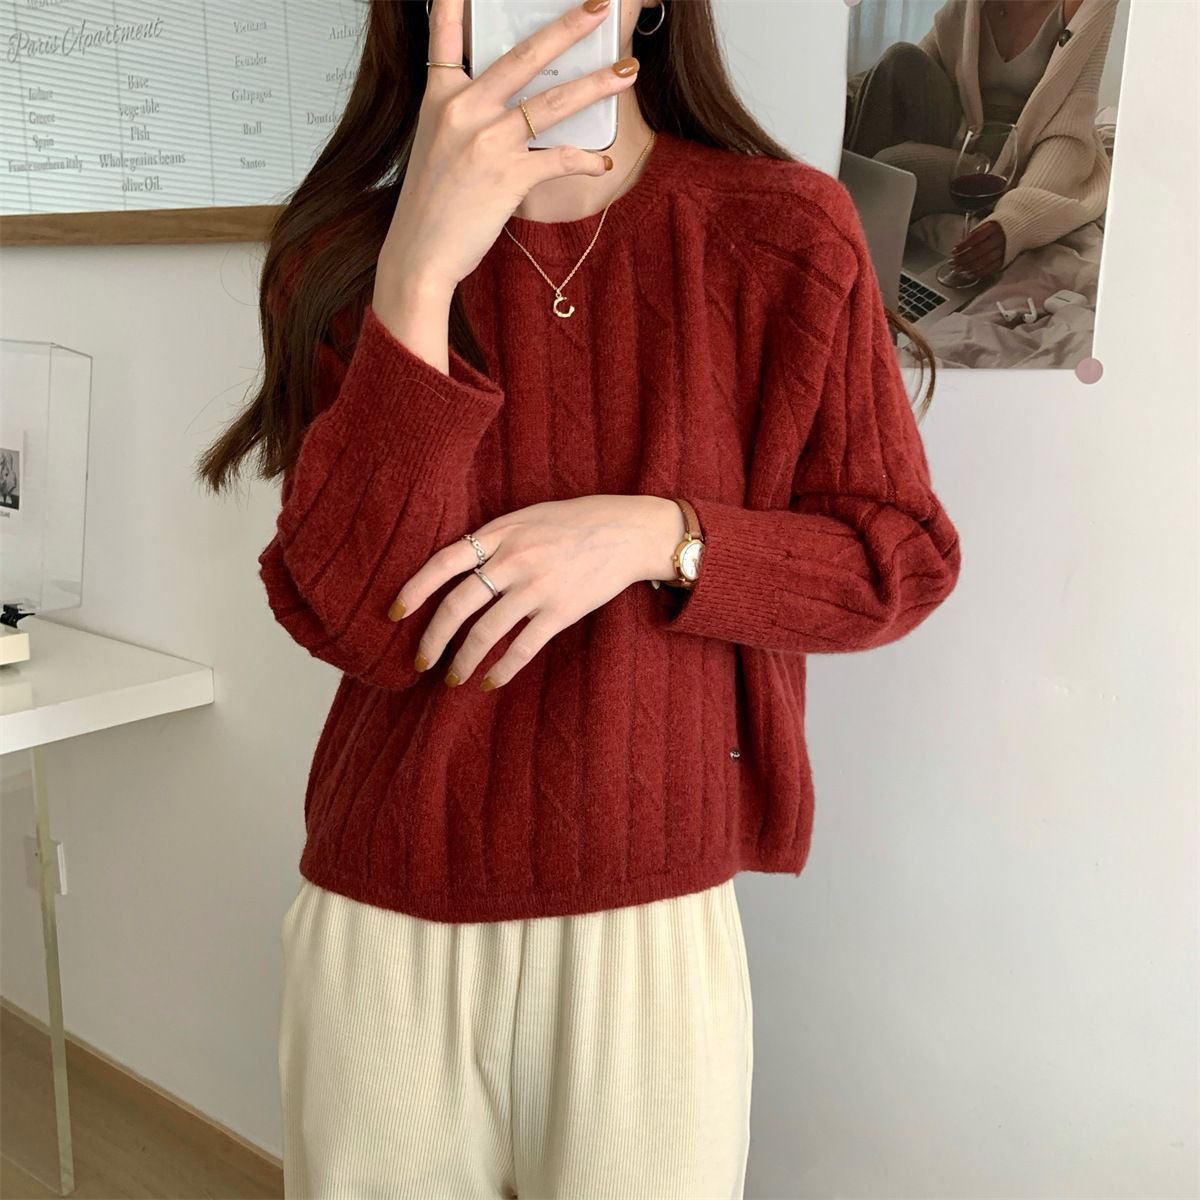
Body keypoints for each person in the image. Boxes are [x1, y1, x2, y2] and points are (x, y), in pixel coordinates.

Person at [198, 0, 961, 1194]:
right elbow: (348, 616)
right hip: (388, 920)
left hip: (648, 925)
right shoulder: (346, 258)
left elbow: (896, 559)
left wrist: (659, 535)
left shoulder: (783, 232)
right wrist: (418, 276)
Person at [845, 0, 1118, 277]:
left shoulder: (1088, 5)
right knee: (899, 57)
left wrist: (1016, 217)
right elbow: (915, 65)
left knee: (890, 164)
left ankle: (846, 234)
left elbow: (1069, 124)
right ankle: (835, 212)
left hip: (1017, 160)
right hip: (963, 135)